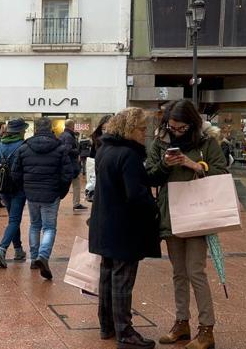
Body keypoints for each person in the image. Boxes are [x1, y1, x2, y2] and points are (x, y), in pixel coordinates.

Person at [146, 99, 228, 349]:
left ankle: (206, 329)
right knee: (178, 273)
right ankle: (182, 323)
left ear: (192, 124)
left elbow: (222, 174)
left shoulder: (207, 143)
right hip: (170, 214)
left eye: (181, 128)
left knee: (195, 271)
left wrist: (195, 165)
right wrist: (164, 164)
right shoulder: (160, 143)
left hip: (197, 215)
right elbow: (149, 174)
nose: (176, 131)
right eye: (172, 127)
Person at [89, 107, 160, 349]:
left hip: (105, 223)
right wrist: (154, 206)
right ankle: (125, 332)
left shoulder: (105, 149)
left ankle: (106, 325)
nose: (145, 133)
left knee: (107, 276)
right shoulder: (129, 155)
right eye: (141, 128)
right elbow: (136, 194)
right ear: (129, 129)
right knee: (122, 280)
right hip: (124, 227)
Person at [12, 117, 73, 279]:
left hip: (31, 193)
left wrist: (24, 188)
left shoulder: (24, 148)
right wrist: (61, 191)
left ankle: (34, 258)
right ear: (51, 128)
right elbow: (67, 174)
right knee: (49, 227)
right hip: (51, 194)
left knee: (34, 225)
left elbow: (15, 172)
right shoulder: (60, 148)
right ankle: (43, 256)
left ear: (35, 129)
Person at [0, 118, 28, 268]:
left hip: (4, 188)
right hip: (18, 188)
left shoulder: (0, 145)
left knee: (14, 219)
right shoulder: (22, 145)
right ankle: (1, 249)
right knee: (14, 220)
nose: (25, 132)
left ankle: (18, 250)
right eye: (24, 130)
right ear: (19, 131)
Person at [59, 119, 87, 212]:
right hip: (71, 165)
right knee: (76, 185)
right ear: (72, 126)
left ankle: (56, 202)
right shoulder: (69, 136)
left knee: (64, 184)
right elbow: (67, 150)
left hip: (66, 164)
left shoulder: (62, 135)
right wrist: (77, 151)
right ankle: (76, 203)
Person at [85, 115, 113, 202]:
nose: (106, 131)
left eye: (108, 128)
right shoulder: (97, 140)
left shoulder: (117, 142)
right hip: (99, 174)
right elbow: (92, 157)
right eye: (103, 129)